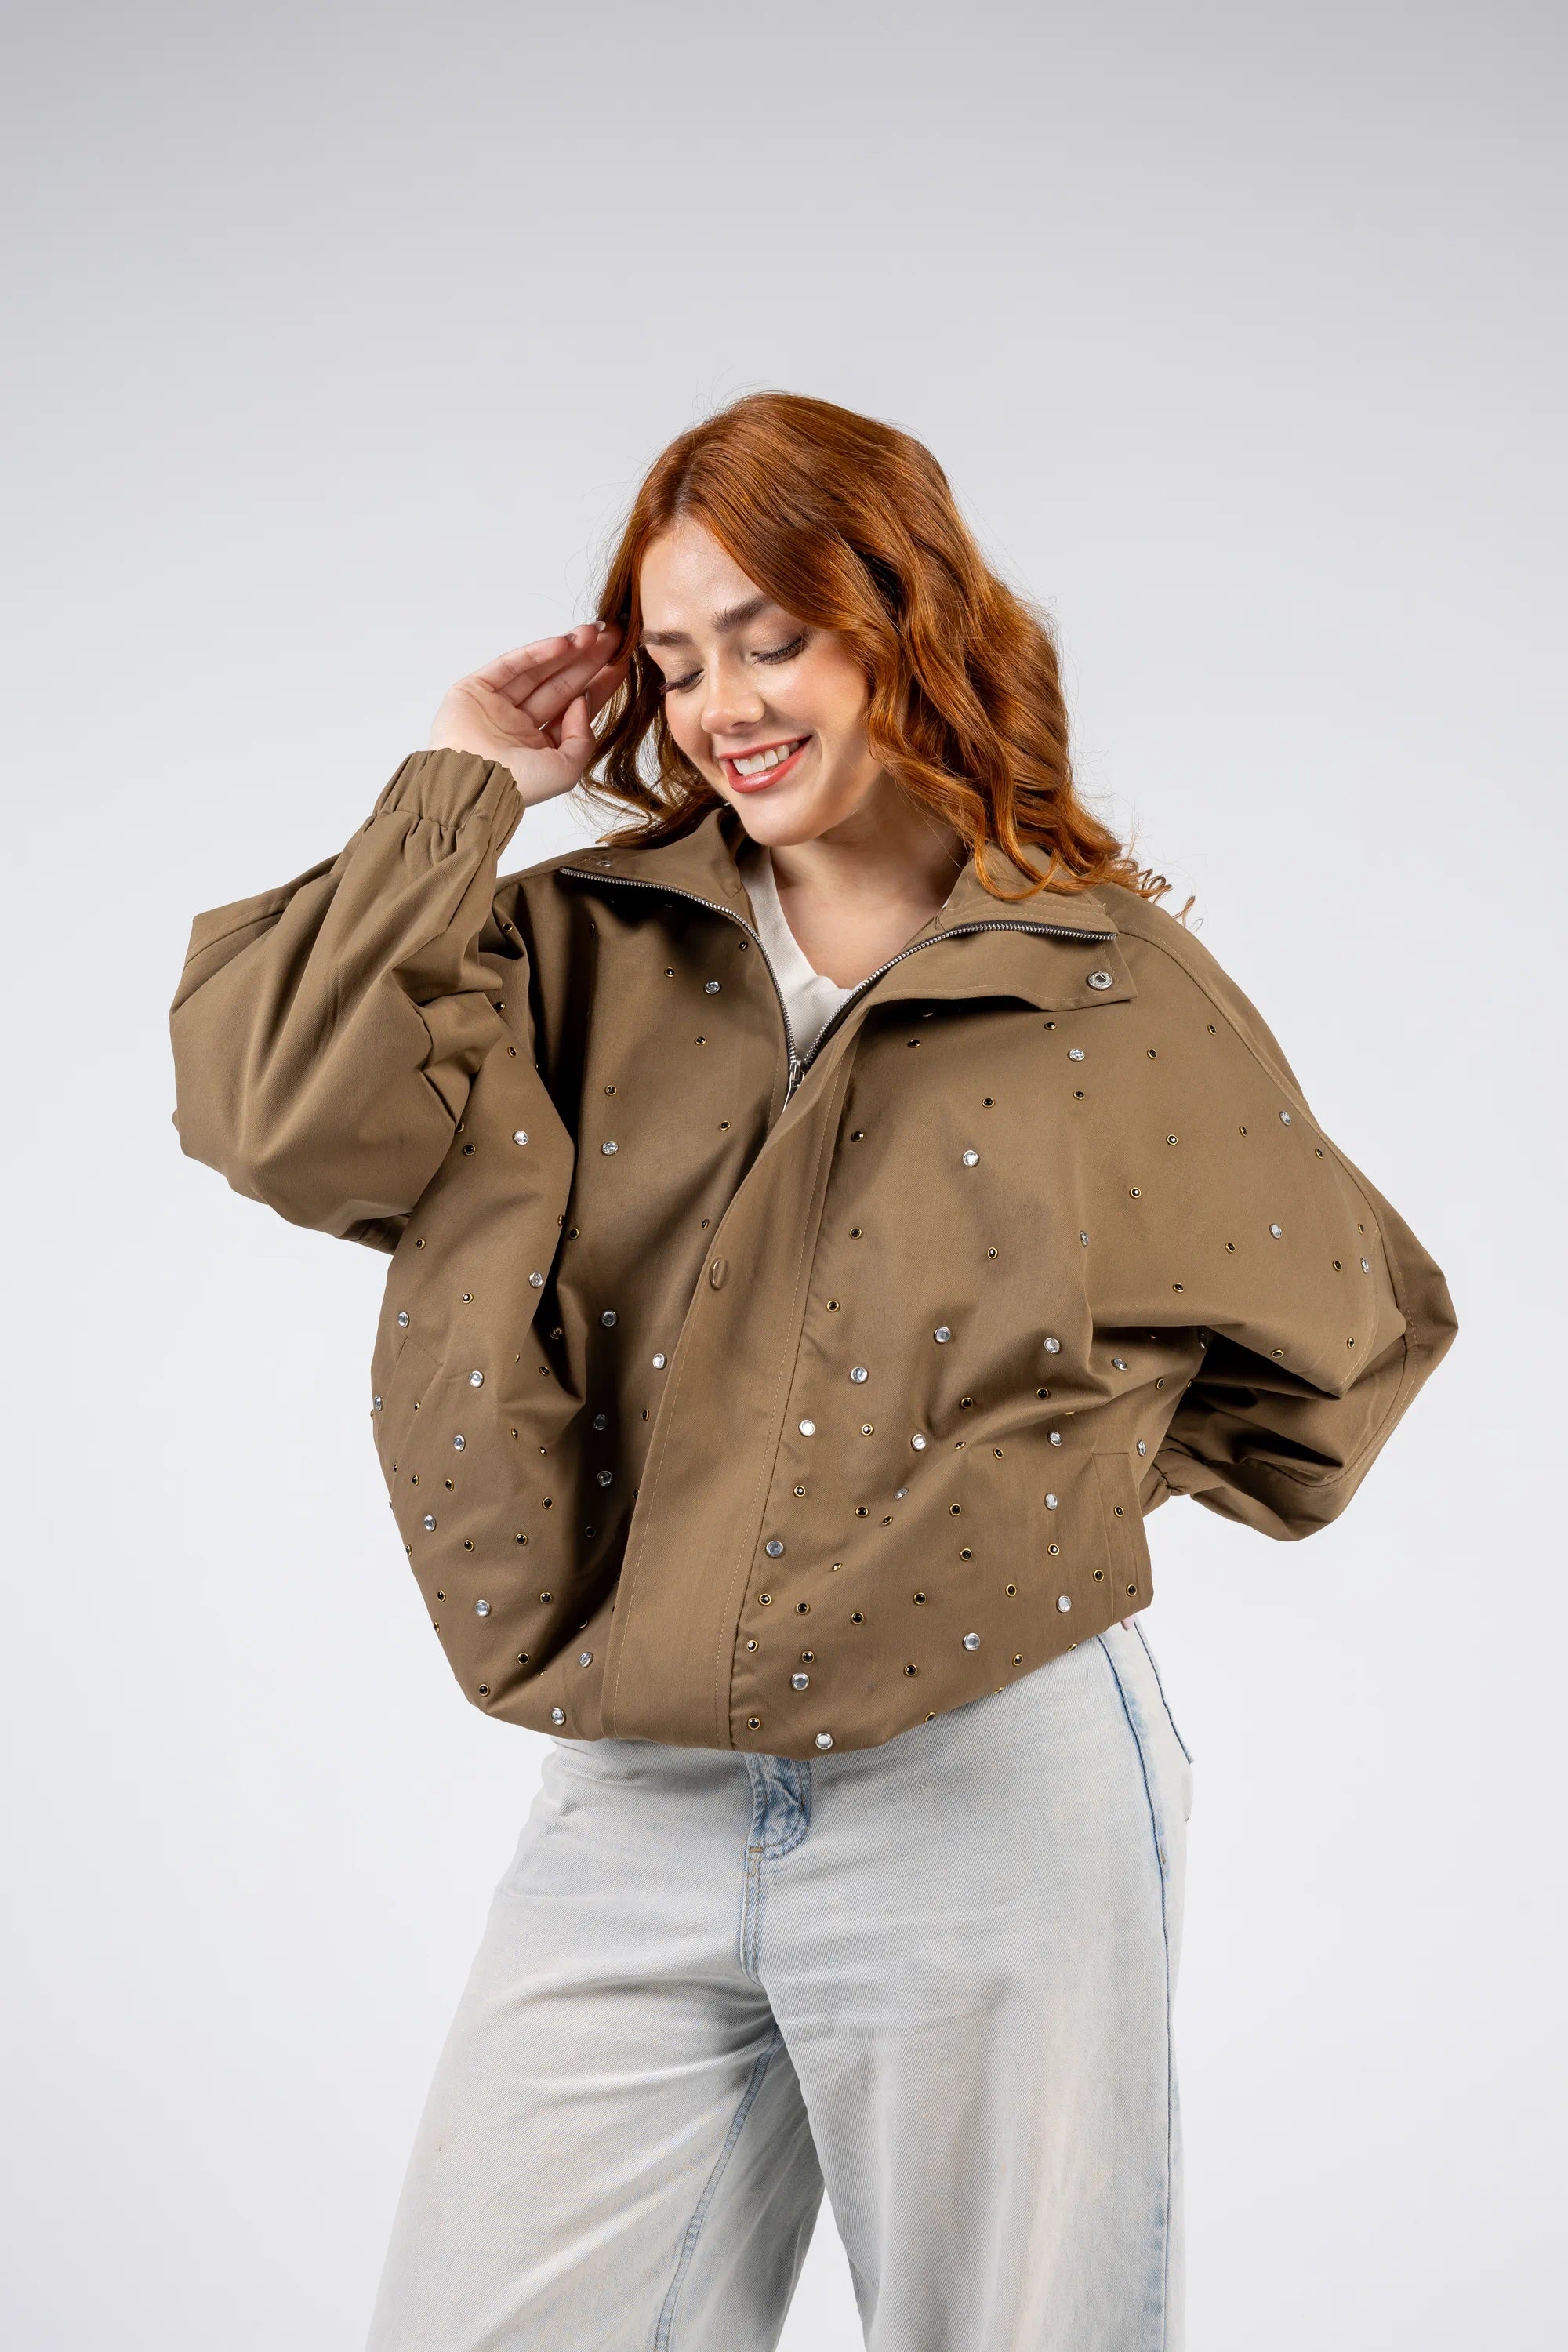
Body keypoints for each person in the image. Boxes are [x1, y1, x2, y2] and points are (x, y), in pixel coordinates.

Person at [169, 391, 1457, 2351]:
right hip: (635, 1789)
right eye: (675, 660)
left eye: (771, 636)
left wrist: (1003, 1511)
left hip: (994, 1780)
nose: (720, 703)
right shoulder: (569, 951)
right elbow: (281, 1115)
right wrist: (460, 785)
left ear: (902, 617)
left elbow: (1341, 1341)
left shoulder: (1101, 985)